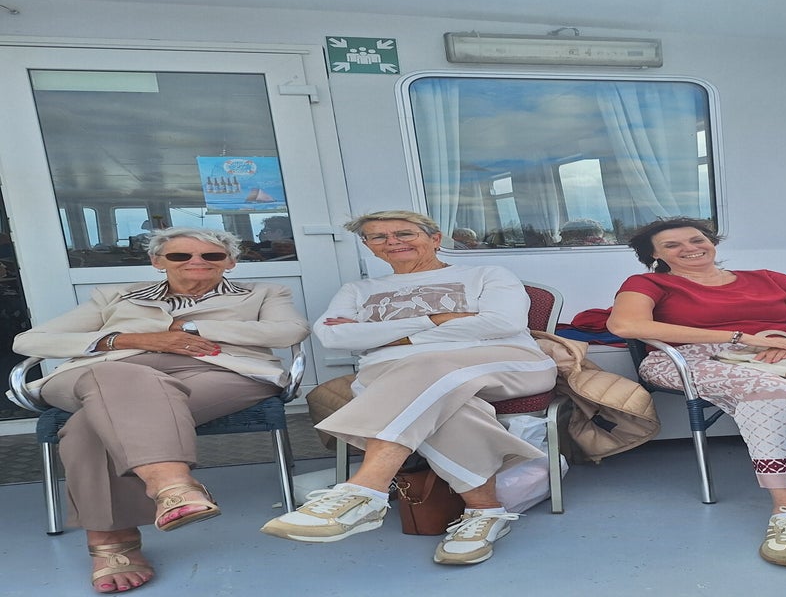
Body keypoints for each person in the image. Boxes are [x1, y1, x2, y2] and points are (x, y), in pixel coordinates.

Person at [12, 227, 310, 593]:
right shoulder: (115, 296)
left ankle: (113, 541)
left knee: (90, 424)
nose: (197, 262)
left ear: (230, 263)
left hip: (217, 370)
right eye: (180, 255)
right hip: (105, 370)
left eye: (212, 256)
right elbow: (29, 340)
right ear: (157, 261)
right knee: (118, 380)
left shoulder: (264, 293)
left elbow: (289, 331)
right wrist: (127, 339)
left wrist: (192, 327)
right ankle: (171, 485)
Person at [260, 210, 556, 566]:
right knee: (445, 400)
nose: (392, 242)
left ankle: (365, 490)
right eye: (378, 237)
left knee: (427, 368)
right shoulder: (357, 290)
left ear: (435, 239)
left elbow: (502, 323)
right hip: (394, 375)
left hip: (505, 362)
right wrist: (435, 319)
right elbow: (335, 336)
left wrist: (392, 338)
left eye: (404, 233)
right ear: (368, 246)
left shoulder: (487, 274)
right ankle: (486, 512)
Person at [605, 217, 786, 567]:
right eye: (672, 245)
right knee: (774, 394)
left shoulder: (768, 278)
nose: (690, 248)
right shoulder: (647, 282)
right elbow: (625, 324)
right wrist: (740, 338)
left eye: (696, 239)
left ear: (712, 242)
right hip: (692, 356)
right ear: (654, 255)